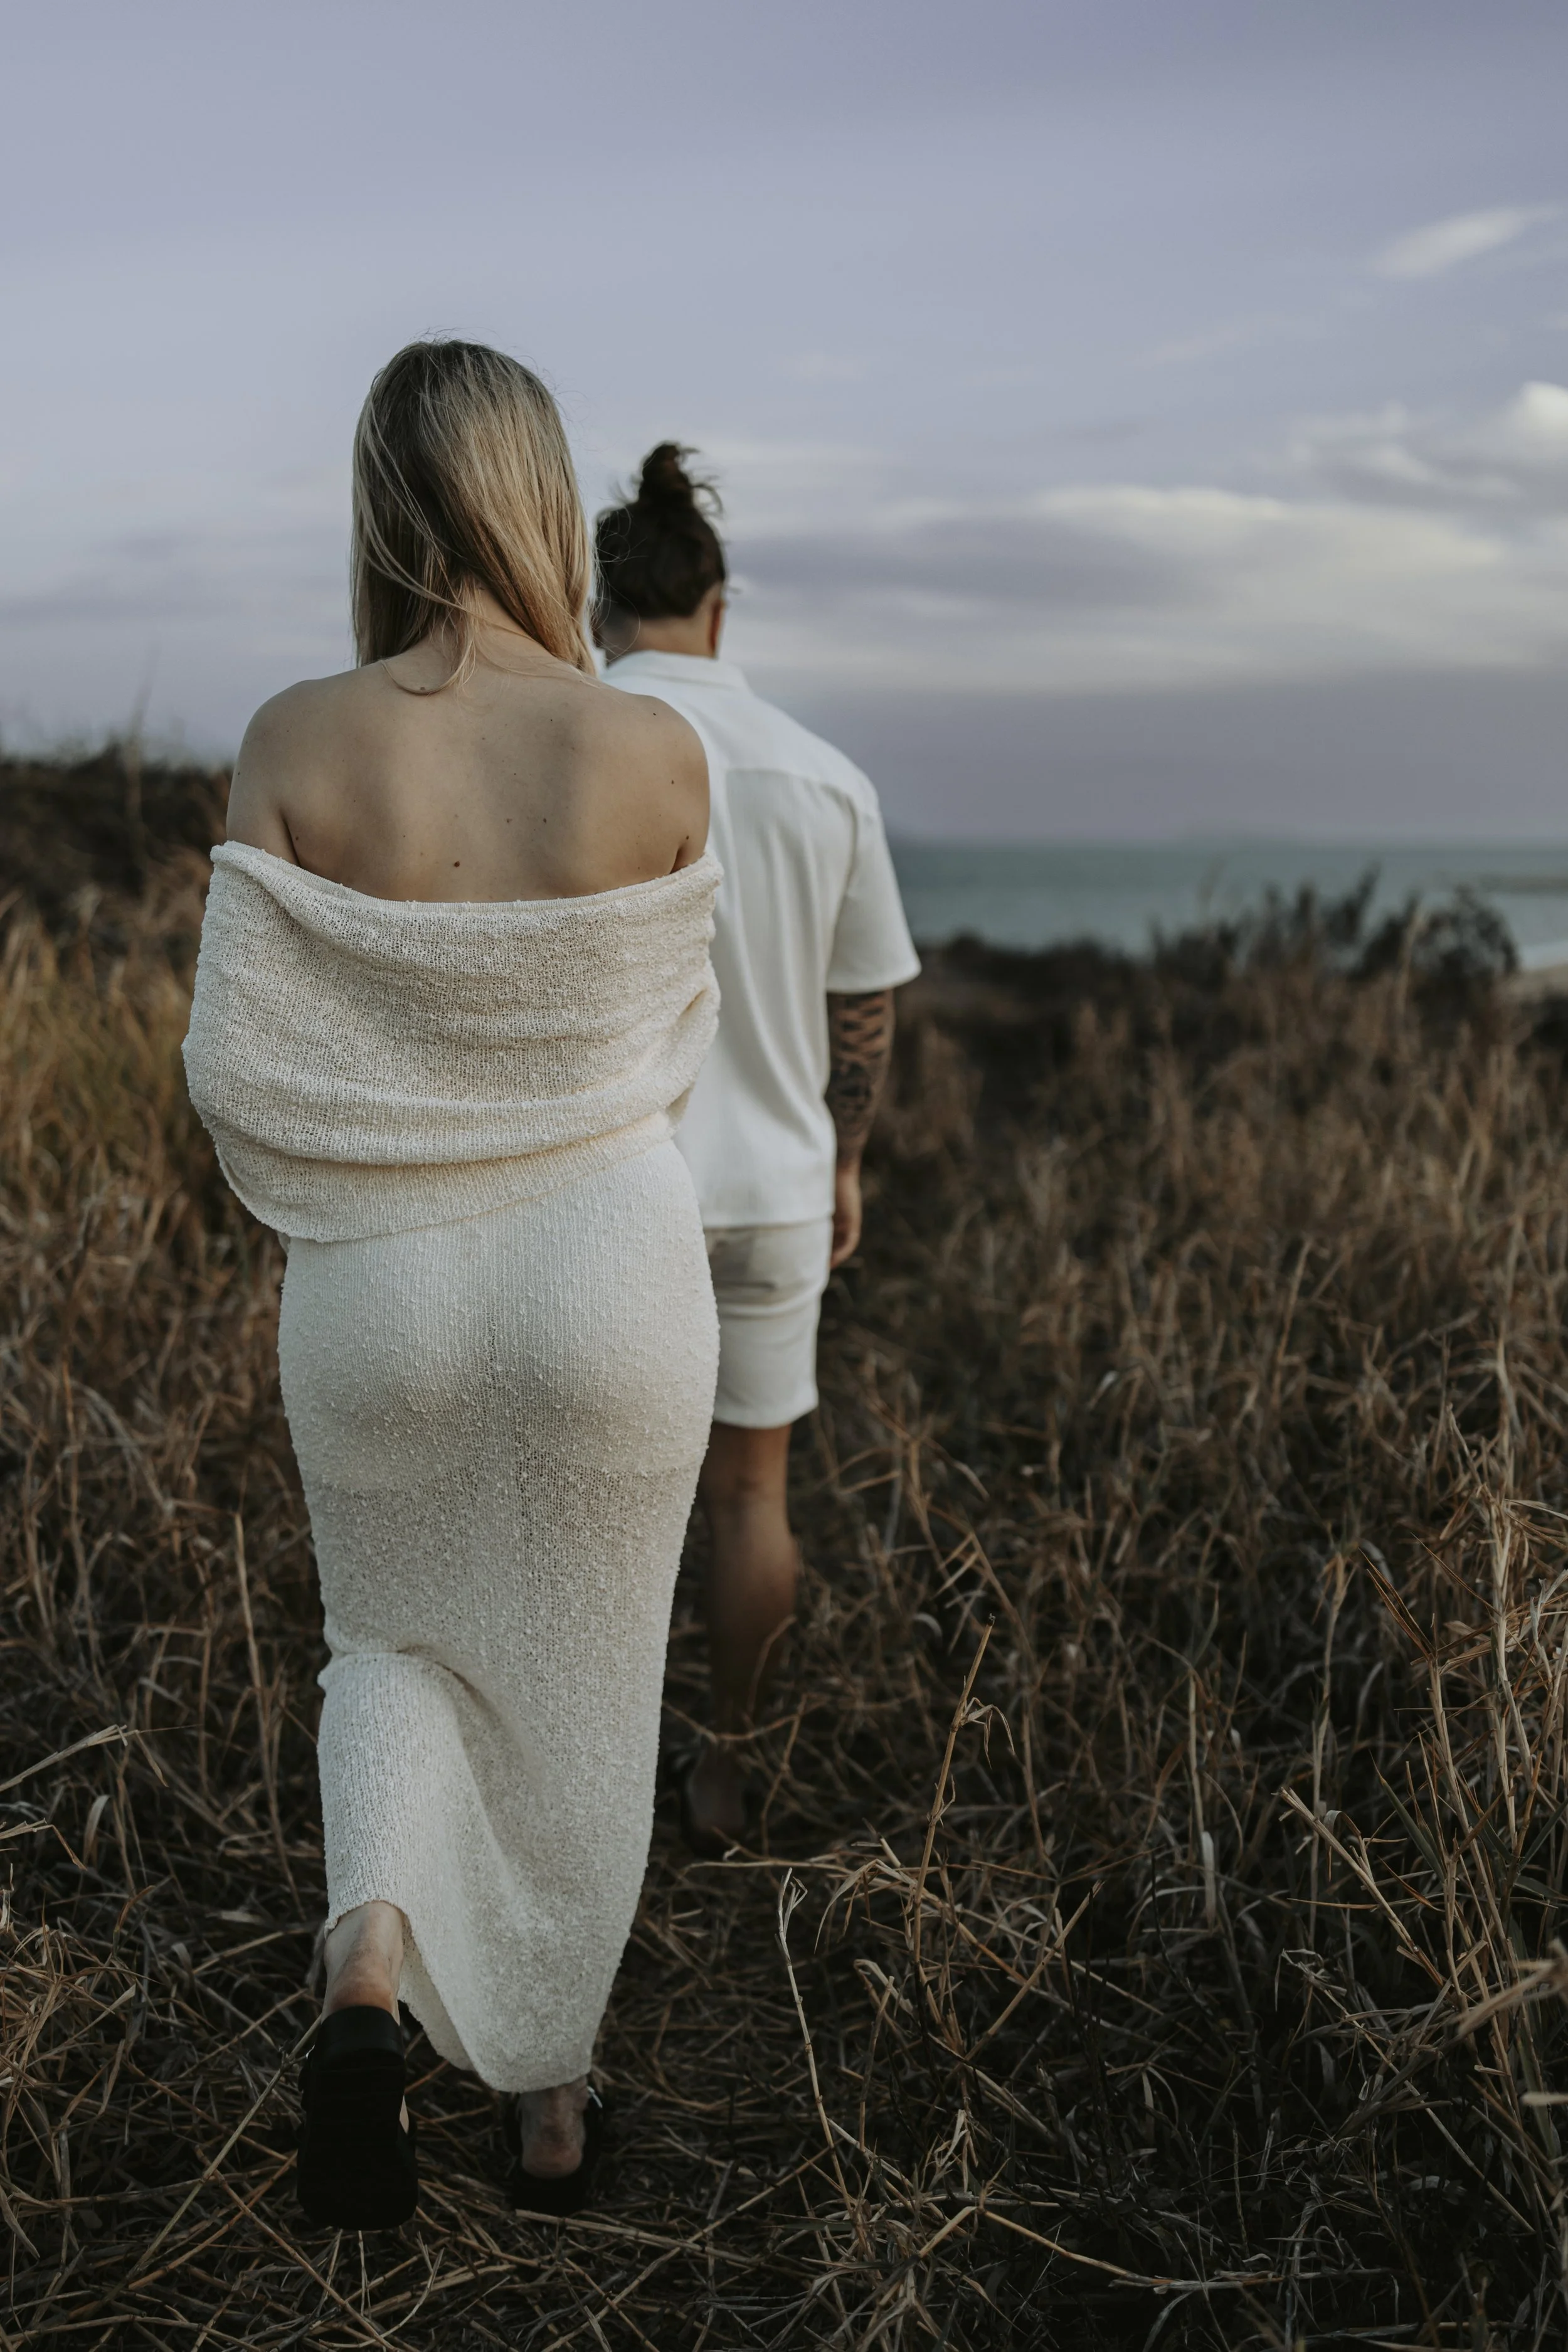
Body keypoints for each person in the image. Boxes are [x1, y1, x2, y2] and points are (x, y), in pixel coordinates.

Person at [183, 344, 719, 2229]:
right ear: (537, 498)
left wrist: (368, 1175)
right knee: (583, 1681)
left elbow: (236, 1068)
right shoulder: (652, 746)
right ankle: (555, 2109)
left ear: (380, 500)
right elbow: (669, 1041)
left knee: (391, 1651)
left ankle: (367, 1980)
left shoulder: (294, 738)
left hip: (378, 1286)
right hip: (610, 1267)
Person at [596, 446, 920, 1851]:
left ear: (594, 608)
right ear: (720, 609)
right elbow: (865, 1010)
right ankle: (727, 1769)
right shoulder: (825, 776)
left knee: (590, 1508)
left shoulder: (572, 747)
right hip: (779, 1191)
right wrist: (843, 1164)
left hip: (611, 1193)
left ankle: (583, 1791)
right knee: (749, 1495)